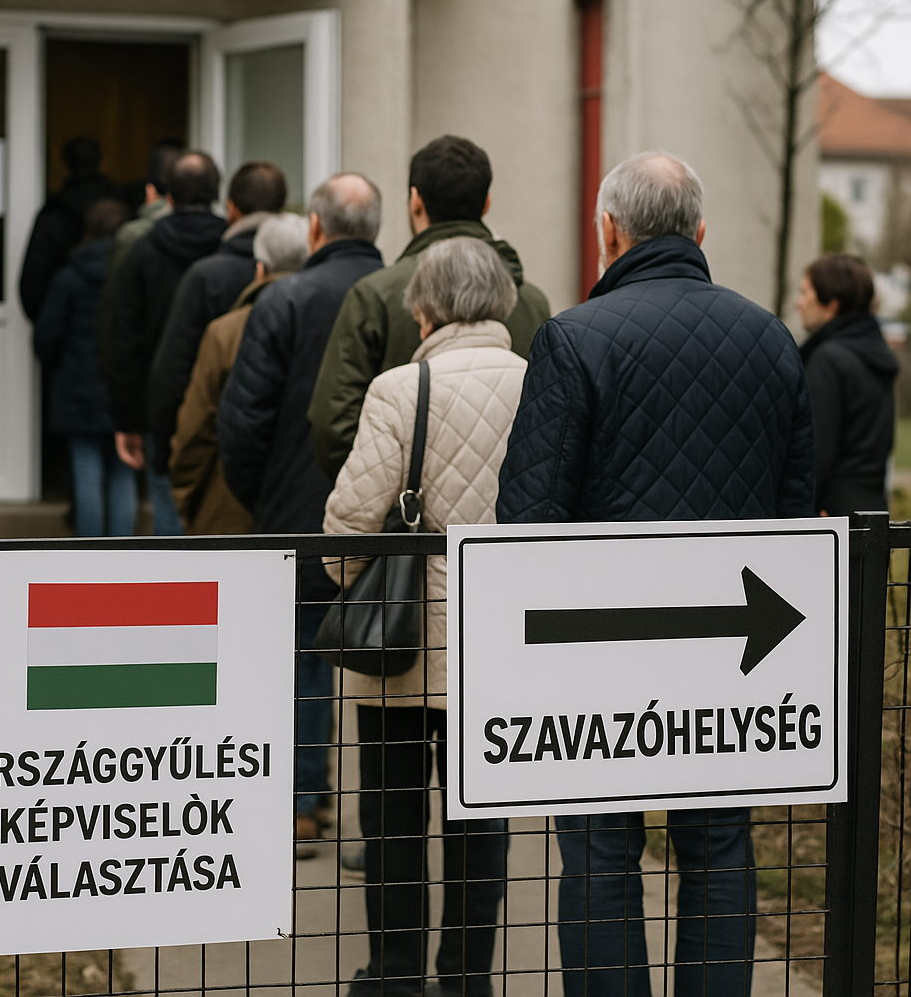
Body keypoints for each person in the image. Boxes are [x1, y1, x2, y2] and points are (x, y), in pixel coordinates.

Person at [496, 151, 815, 997]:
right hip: (736, 649)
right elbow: (796, 509)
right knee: (717, 844)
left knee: (600, 845)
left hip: (605, 646)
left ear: (609, 231)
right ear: (701, 233)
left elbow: (529, 515)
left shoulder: (571, 338)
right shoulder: (771, 337)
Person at [322, 236, 523, 997]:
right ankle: (467, 978)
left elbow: (348, 521)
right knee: (481, 824)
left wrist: (342, 583)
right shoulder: (541, 382)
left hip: (401, 641)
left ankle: (396, 975)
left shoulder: (401, 388)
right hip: (501, 641)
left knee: (394, 821)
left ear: (425, 308)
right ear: (500, 301)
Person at [217, 174, 384, 856]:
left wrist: (262, 498)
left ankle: (301, 802)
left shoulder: (282, 299)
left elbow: (244, 421)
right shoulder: (399, 296)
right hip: (388, 516)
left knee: (300, 658)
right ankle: (383, 825)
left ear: (315, 229)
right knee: (389, 663)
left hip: (293, 507)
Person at [308, 135, 551, 481]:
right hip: (508, 518)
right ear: (486, 203)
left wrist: (396, 501)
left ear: (415, 200)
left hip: (406, 524)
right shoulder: (532, 300)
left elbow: (334, 428)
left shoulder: (375, 295)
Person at [104, 150, 227, 535]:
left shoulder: (143, 252)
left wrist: (128, 419)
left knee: (169, 520)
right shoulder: (234, 251)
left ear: (167, 196)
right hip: (225, 401)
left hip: (162, 405)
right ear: (217, 195)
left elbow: (122, 338)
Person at [169, 211, 309, 534]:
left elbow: (195, 428)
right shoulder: (329, 324)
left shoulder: (224, 332)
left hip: (227, 511)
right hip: (307, 514)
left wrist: (188, 498)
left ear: (259, 269)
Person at [148, 161, 288, 476]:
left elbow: (174, 368)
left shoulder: (207, 276)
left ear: (232, 208)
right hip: (282, 455)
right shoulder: (303, 277)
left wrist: (166, 447)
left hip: (211, 447)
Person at [33, 198, 137, 536]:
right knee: (125, 469)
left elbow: (45, 337)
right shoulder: (134, 274)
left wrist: (61, 366)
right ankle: (124, 557)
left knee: (86, 468)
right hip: (123, 387)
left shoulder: (69, 277)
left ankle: (88, 559)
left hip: (78, 389)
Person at [798, 253, 897, 516]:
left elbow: (817, 453)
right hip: (873, 513)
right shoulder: (875, 355)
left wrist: (806, 511)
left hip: (834, 517)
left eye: (805, 293)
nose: (799, 304)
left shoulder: (828, 360)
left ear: (831, 305)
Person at [96, 138, 184, 379]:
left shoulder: (134, 236)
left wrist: (113, 372)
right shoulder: (217, 234)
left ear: (150, 191)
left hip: (143, 372)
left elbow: (115, 311)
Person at [19, 136, 114, 322]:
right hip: (113, 328)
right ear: (102, 163)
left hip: (64, 327)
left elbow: (33, 283)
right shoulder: (117, 211)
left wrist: (49, 323)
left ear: (65, 166)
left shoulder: (54, 213)